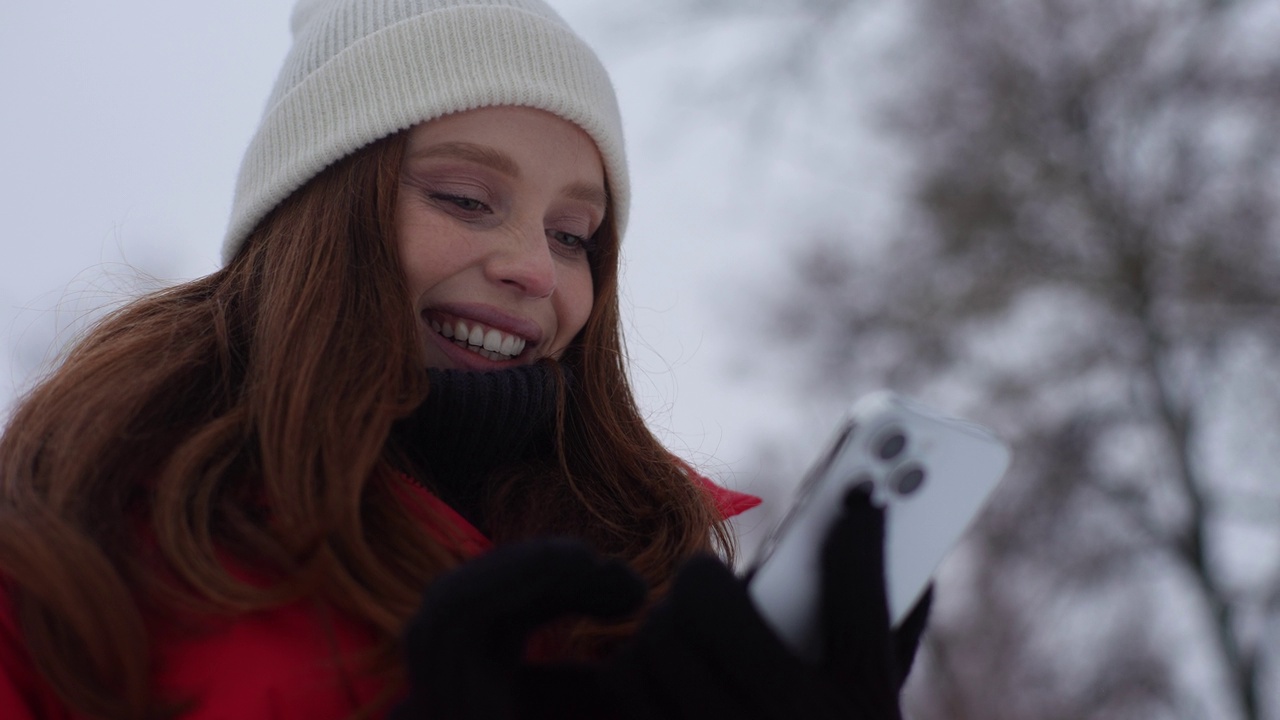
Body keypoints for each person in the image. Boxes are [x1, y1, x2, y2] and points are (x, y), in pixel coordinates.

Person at [0, 1, 929, 718]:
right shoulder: (70, 534)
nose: (534, 268)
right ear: (318, 213)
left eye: (574, 235)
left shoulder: (652, 572)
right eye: (464, 198)